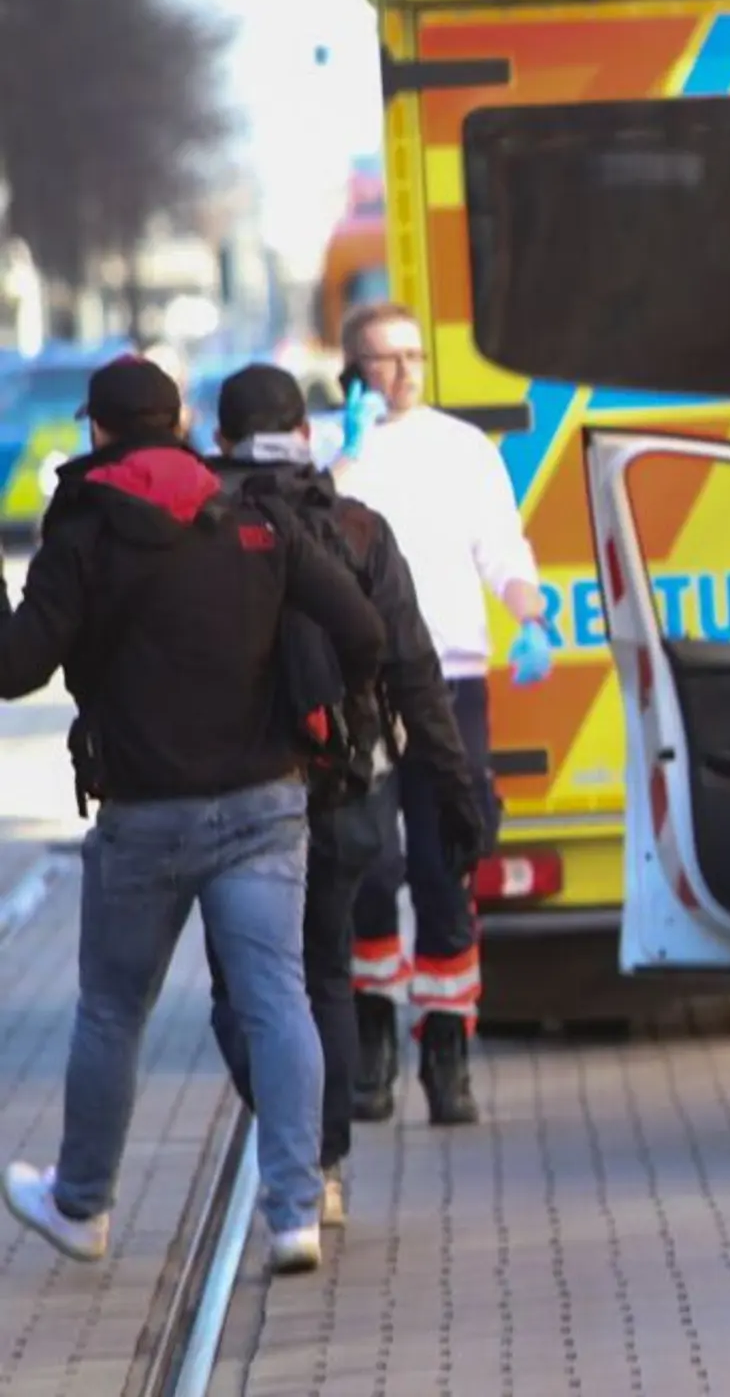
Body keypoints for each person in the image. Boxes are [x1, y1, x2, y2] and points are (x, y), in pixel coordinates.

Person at [0, 355, 385, 1276]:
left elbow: (15, 670)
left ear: (95, 433)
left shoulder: (82, 532)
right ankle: (295, 1212)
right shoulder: (256, 518)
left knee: (110, 1013)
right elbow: (363, 634)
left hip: (143, 817)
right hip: (264, 805)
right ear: (181, 426)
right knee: (277, 1000)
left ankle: (83, 1204)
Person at [197, 363, 485, 1228]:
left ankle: (297, 1136)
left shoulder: (198, 526)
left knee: (242, 989)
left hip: (233, 793)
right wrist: (454, 788)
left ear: (220, 440)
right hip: (347, 789)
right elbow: (414, 670)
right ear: (311, 435)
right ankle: (319, 1165)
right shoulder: (359, 528)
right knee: (321, 972)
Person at [331, 301, 548, 1126]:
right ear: (353, 369)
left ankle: (448, 1053)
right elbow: (310, 534)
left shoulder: (464, 449)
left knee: (445, 864)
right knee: (370, 869)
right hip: (363, 688)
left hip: (451, 680)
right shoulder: (334, 450)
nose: (404, 372)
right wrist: (344, 456)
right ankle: (374, 1043)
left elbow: (503, 549)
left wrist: (530, 617)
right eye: (384, 359)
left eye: (414, 355)